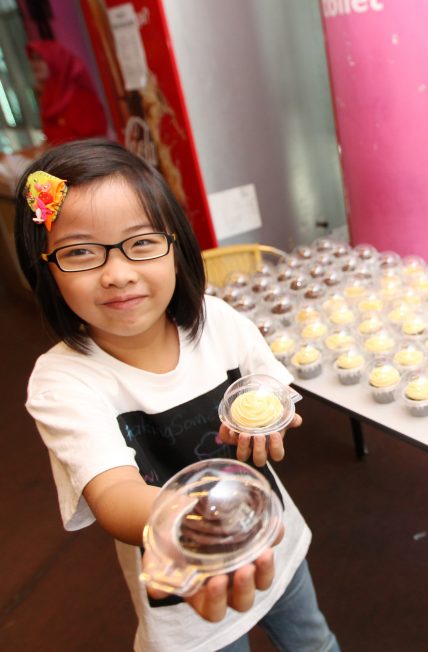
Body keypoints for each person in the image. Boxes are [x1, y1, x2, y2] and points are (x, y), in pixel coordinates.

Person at [14, 139, 338, 652]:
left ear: (176, 247)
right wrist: (196, 521)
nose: (117, 274)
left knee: (313, 642)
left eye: (141, 242)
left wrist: (273, 411)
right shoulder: (63, 381)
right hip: (187, 586)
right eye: (79, 252)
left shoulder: (217, 321)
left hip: (274, 541)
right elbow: (114, 494)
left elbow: (269, 380)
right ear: (45, 269)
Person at [26, 40, 109, 146]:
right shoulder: (50, 94)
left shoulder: (79, 94)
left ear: (55, 60)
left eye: (40, 59)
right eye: (32, 59)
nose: (34, 65)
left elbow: (92, 140)